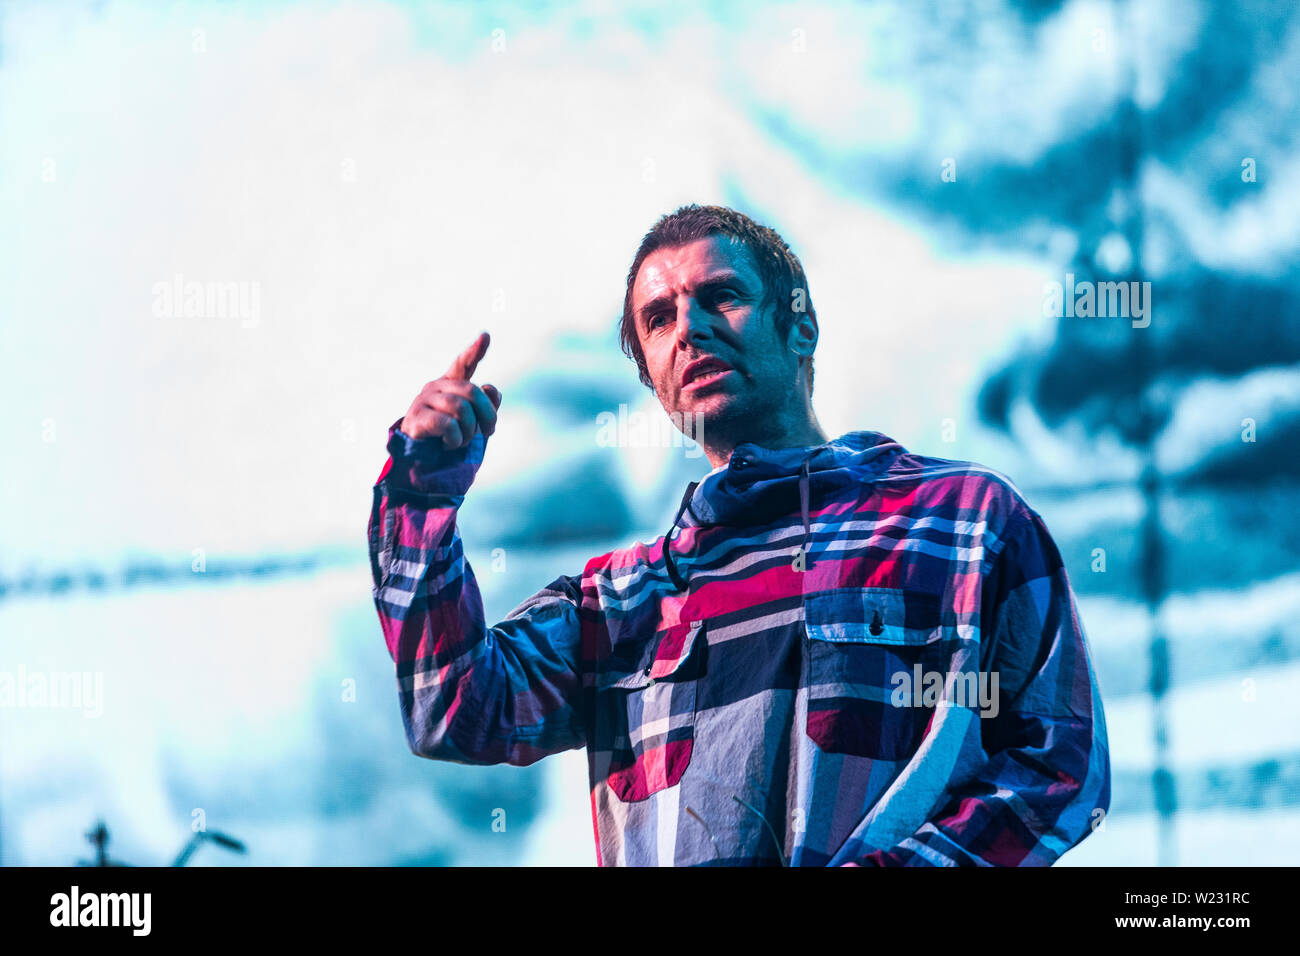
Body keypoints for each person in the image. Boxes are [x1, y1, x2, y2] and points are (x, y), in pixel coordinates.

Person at [368, 203, 1111, 866]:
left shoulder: (963, 522)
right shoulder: (619, 602)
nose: (689, 327)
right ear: (656, 381)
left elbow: (1060, 759)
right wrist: (420, 490)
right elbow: (456, 708)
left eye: (720, 296)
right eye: (659, 319)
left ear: (801, 327)